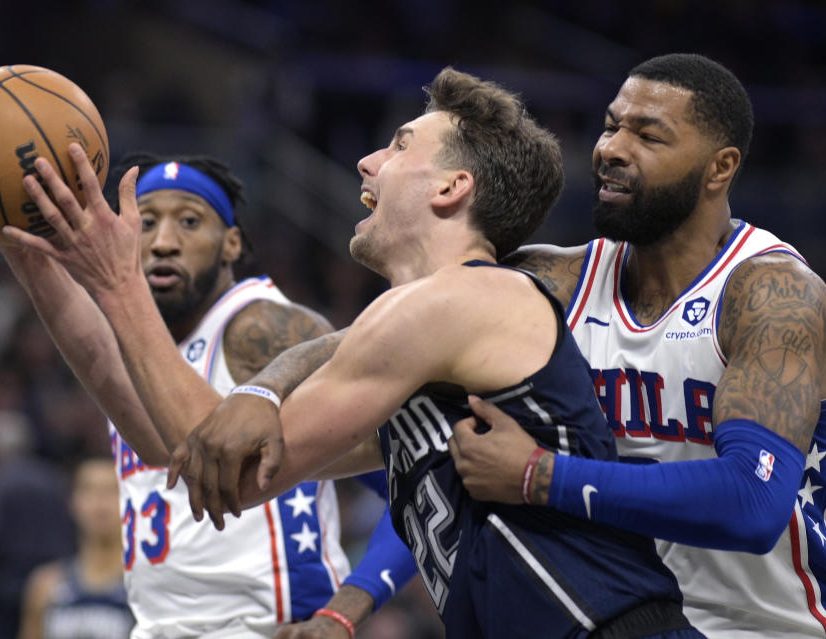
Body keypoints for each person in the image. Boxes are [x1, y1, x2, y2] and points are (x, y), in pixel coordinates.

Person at [154, 67, 707, 638]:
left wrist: (112, 280)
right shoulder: (431, 333)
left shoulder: (464, 297)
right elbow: (195, 450)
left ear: (451, 187)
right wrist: (262, 385)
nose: (368, 162)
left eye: (399, 144)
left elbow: (240, 479)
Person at [442, 53, 826, 639]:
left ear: (720, 168)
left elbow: (753, 503)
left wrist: (539, 475)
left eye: (647, 135)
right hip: (624, 620)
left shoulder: (773, 295)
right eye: (611, 125)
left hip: (775, 627)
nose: (611, 147)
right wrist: (269, 389)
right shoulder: (557, 285)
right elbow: (383, 369)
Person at [0, 151, 417, 638]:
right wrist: (15, 240)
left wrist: (346, 607)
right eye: (147, 222)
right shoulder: (138, 344)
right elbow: (99, 360)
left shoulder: (264, 326)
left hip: (267, 626)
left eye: (190, 222)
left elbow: (409, 477)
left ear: (231, 243)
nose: (163, 243)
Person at [17, 454, 135, 639]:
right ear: (72, 502)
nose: (100, 502)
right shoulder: (45, 587)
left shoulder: (146, 586)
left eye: (112, 490)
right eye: (88, 490)